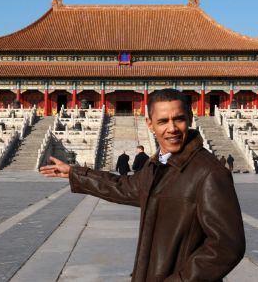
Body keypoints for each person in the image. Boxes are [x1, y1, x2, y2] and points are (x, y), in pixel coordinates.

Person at [40, 88, 245, 281]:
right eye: (163, 121)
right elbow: (124, 186)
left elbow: (227, 246)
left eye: (179, 119)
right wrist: (75, 173)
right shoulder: (157, 164)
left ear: (190, 119)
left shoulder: (209, 173)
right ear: (149, 124)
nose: (171, 128)